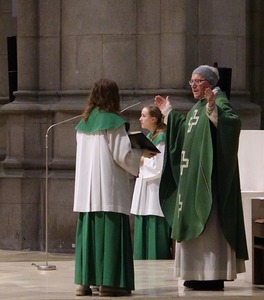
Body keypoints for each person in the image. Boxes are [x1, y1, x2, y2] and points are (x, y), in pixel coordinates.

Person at [154, 65, 248, 291]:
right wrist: (169, 112)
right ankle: (195, 273)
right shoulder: (197, 107)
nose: (193, 85)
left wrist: (214, 110)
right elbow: (185, 130)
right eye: (191, 81)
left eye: (197, 81)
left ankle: (213, 274)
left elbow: (232, 124)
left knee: (210, 229)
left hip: (210, 185)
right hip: (192, 182)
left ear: (210, 83)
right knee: (193, 229)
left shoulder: (220, 102)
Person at [73, 78, 156, 297]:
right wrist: (141, 154)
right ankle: (110, 283)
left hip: (87, 192)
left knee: (89, 235)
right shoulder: (114, 122)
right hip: (107, 189)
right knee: (110, 233)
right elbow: (123, 155)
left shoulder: (83, 123)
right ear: (114, 96)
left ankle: (84, 283)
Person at [131, 105, 172, 260]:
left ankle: (156, 258)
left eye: (143, 116)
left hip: (155, 187)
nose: (140, 119)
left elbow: (158, 167)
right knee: (143, 216)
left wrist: (140, 158)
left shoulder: (161, 138)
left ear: (153, 119)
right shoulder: (148, 137)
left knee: (153, 219)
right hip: (144, 185)